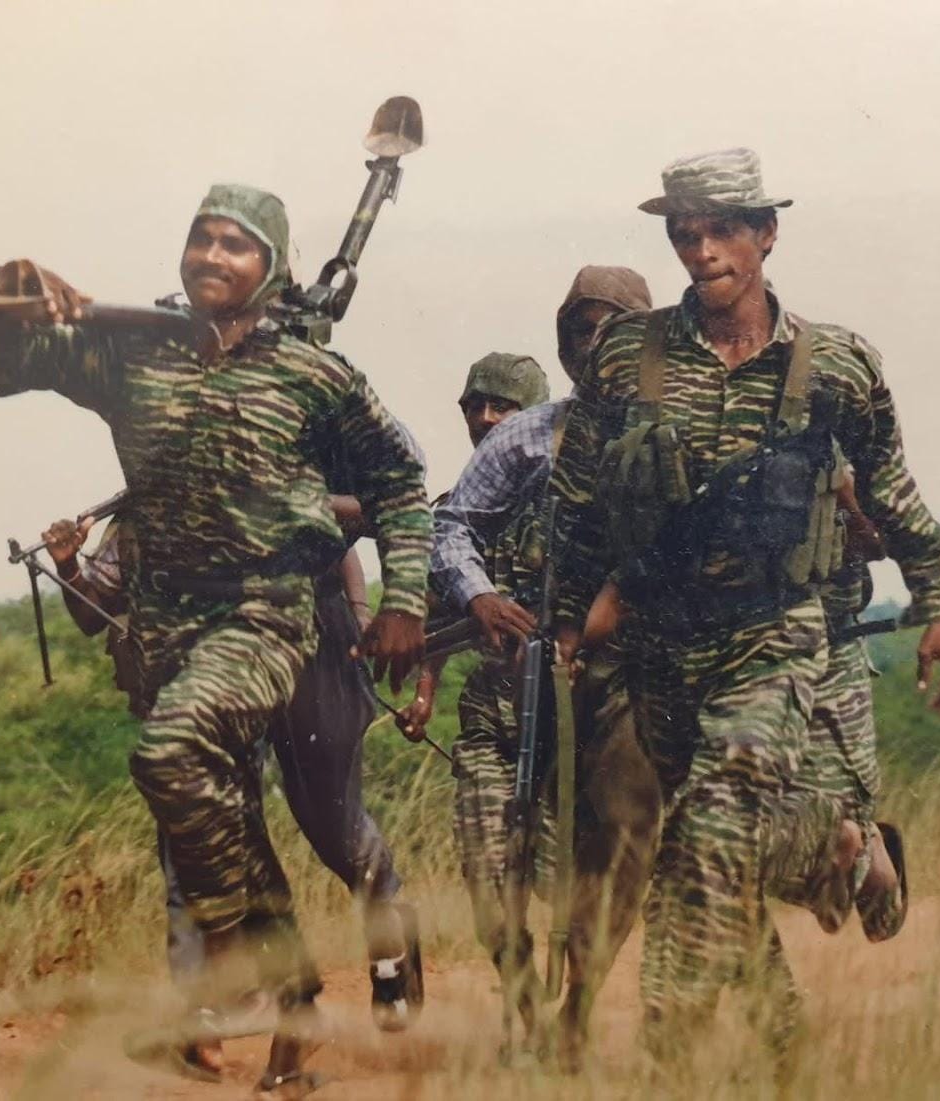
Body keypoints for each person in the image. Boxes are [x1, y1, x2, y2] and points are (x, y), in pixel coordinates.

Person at [0, 184, 430, 1096]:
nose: (212, 256)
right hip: (164, 616)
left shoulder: (315, 376)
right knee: (212, 802)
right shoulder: (133, 352)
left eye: (236, 245)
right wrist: (3, 308)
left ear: (274, 270)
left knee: (174, 751)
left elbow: (402, 483)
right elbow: (5, 368)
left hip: (266, 608)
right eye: (201, 239)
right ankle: (293, 997)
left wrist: (403, 598)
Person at [547, 149, 940, 1073]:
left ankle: (671, 1047)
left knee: (710, 818)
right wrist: (568, 620)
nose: (702, 250)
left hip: (777, 633)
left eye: (723, 228)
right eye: (684, 232)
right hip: (660, 645)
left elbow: (894, 494)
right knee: (709, 837)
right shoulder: (625, 356)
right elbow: (575, 502)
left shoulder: (839, 363)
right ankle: (798, 991)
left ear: (767, 232)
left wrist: (938, 603)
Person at [40, 508, 422, 1041]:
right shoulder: (135, 519)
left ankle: (390, 941)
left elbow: (343, 542)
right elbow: (92, 612)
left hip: (306, 663)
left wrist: (360, 614)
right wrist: (68, 567)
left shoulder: (261, 475)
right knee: (197, 831)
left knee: (333, 826)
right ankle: (214, 1003)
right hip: (210, 687)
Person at [408, 268, 661, 1065]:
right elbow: (450, 528)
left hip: (621, 687)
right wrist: (480, 597)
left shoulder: (675, 429)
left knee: (617, 854)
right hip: (507, 703)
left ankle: (577, 1008)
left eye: (612, 327)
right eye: (579, 329)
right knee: (492, 877)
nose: (594, 344)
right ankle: (524, 1003)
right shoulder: (527, 437)